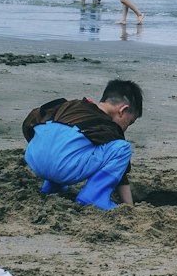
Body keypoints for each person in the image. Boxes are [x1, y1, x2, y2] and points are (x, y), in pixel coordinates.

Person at [22, 78, 143, 210]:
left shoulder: (67, 106)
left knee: (66, 143)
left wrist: (39, 147)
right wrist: (129, 206)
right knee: (122, 148)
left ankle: (52, 187)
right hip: (62, 169)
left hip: (34, 160)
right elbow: (122, 173)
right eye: (130, 122)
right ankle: (95, 197)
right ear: (123, 110)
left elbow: (30, 121)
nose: (126, 127)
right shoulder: (108, 127)